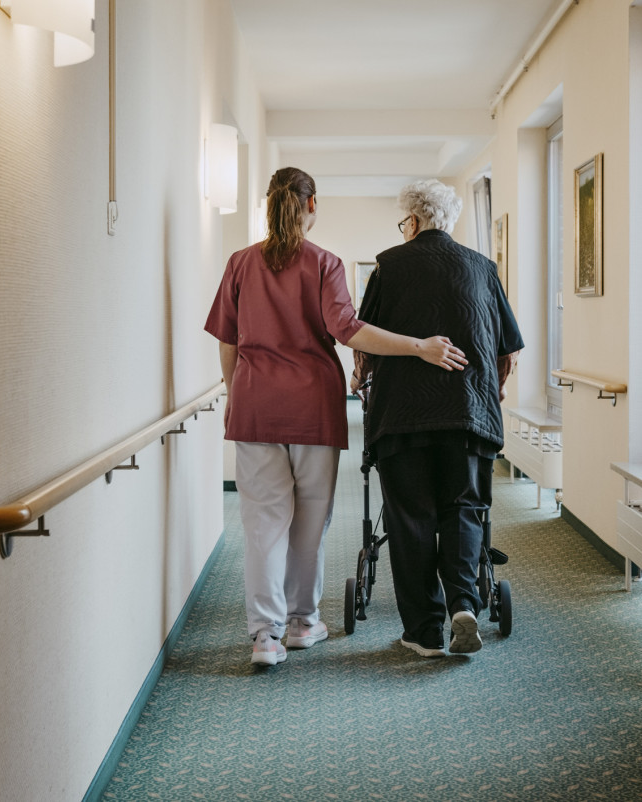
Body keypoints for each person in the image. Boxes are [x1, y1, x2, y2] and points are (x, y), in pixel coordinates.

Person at [205, 167, 468, 667]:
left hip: (257, 405)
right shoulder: (323, 263)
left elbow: (228, 340)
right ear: (311, 206)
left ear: (268, 205)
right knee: (310, 521)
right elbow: (348, 330)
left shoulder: (240, 263)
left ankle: (265, 636)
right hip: (312, 407)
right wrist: (419, 347)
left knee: (262, 524)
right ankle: (304, 622)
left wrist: (234, 393)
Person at [352, 179, 523, 659]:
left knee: (411, 518)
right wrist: (496, 386)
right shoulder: (483, 268)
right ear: (448, 220)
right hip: (467, 414)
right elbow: (509, 351)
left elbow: (362, 338)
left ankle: (424, 632)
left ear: (412, 220)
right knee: (463, 508)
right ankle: (463, 605)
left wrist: (359, 378)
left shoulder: (388, 265)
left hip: (402, 416)